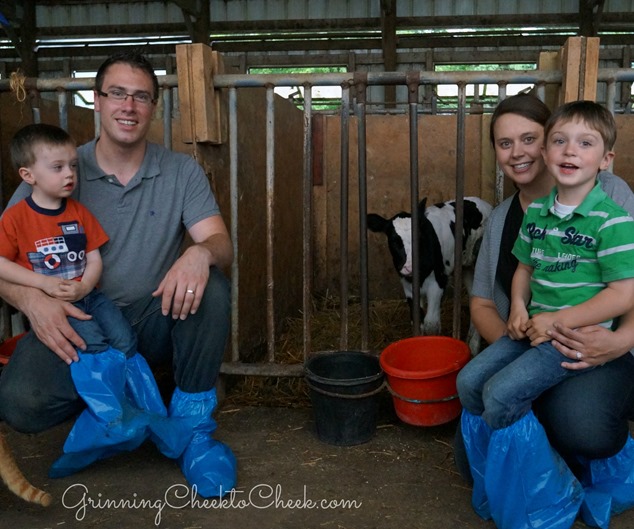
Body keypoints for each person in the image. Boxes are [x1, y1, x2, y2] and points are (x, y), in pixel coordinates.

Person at [0, 51, 236, 498]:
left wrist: (200, 254)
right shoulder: (57, 168)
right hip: (77, 322)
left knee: (213, 289)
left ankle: (193, 432)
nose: (129, 106)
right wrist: (32, 301)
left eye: (142, 97)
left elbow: (221, 243)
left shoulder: (181, 171)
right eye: (118, 94)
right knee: (20, 403)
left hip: (151, 317)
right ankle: (115, 417)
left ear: (154, 107)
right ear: (96, 100)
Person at [454, 94, 634, 529]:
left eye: (529, 138)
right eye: (504, 143)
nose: (518, 152)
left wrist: (620, 340)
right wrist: (520, 323)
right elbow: (486, 298)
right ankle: (535, 466)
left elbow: (625, 288)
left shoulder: (610, 202)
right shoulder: (513, 218)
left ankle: (552, 490)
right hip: (534, 337)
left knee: (578, 425)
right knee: (475, 397)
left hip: (594, 343)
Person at [0, 123, 136, 360]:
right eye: (57, 167)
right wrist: (43, 283)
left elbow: (94, 259)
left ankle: (123, 390)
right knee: (91, 343)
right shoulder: (14, 218)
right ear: (28, 175)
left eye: (73, 165)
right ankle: (96, 394)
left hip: (90, 295)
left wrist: (84, 286)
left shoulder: (79, 213)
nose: (69, 173)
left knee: (126, 341)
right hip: (52, 302)